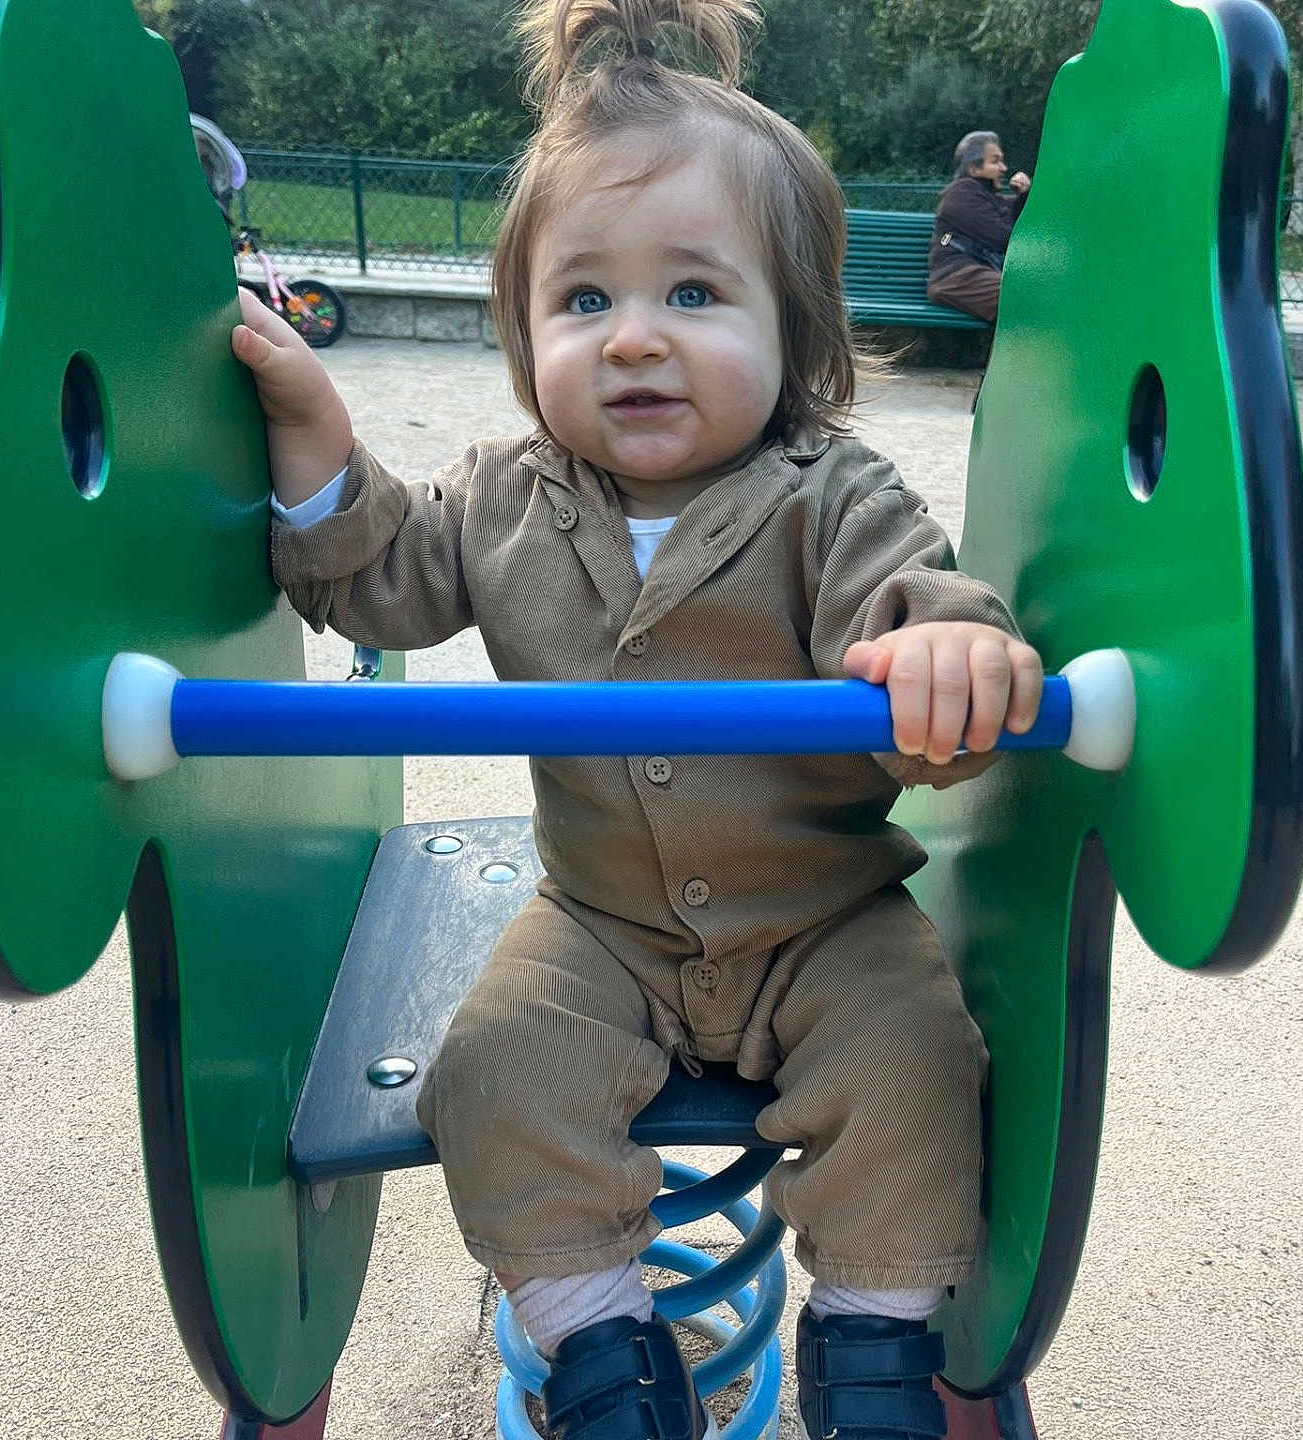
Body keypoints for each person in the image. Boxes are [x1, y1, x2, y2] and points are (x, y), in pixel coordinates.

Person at [231, 2, 1043, 1436]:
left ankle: (869, 1343)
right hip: (599, 917)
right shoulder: (501, 497)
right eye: (584, 301)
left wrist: (948, 656)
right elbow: (376, 580)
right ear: (524, 326)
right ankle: (600, 1346)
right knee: (486, 1071)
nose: (633, 342)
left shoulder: (830, 496)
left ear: (791, 327)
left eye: (693, 295)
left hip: (826, 915)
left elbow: (916, 605)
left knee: (921, 1065)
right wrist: (313, 440)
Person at [925, 130, 1031, 323]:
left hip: (976, 275)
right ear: (974, 169)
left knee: (1031, 295)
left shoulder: (984, 196)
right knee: (1024, 297)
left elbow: (1010, 219)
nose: (1003, 168)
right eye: (995, 161)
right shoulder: (962, 195)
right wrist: (1020, 201)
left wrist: (1024, 196)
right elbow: (1004, 238)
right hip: (956, 278)